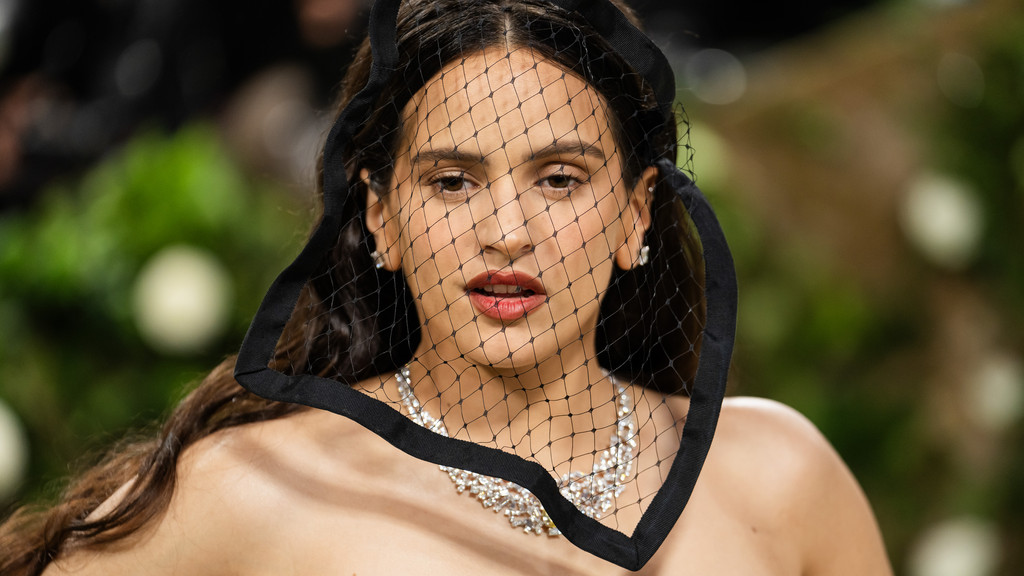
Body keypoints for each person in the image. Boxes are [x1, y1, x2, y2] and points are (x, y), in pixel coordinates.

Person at [0, 0, 894, 574]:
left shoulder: (782, 475)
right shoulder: (258, 489)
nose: (507, 231)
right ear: (381, 219)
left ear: (637, 216)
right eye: (452, 181)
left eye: (560, 178)